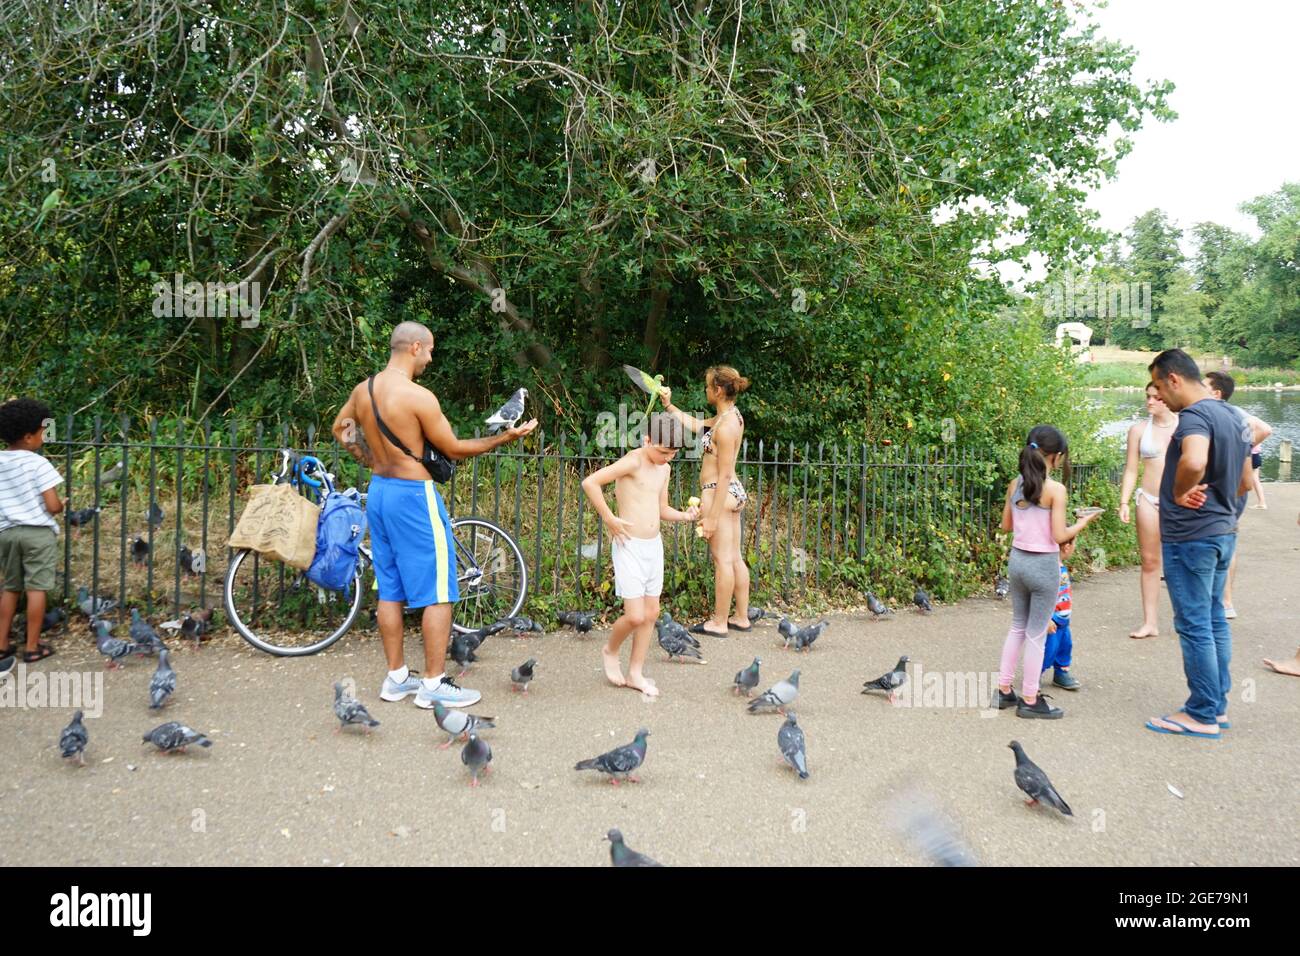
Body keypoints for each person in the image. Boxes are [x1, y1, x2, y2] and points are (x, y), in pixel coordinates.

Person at [330, 322, 536, 709]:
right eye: (429, 351)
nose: (430, 358)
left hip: (380, 493)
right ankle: (433, 683)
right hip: (413, 497)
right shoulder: (417, 396)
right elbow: (454, 449)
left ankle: (396, 679)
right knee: (440, 591)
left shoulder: (364, 390)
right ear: (415, 347)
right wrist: (503, 439)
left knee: (389, 590)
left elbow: (341, 428)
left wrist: (369, 459)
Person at [1144, 349, 1254, 740]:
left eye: (1158, 385)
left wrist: (1178, 492)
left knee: (1194, 626)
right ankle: (1217, 705)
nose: (1158, 393)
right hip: (1223, 532)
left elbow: (1193, 461)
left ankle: (1202, 713)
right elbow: (1244, 478)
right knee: (1213, 620)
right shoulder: (1233, 415)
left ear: (1173, 379)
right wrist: (1225, 509)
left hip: (1192, 537)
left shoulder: (1194, 417)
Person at [580, 413, 699, 696]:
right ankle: (610, 650)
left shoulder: (664, 469)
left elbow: (661, 509)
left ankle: (635, 672)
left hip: (653, 546)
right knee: (634, 616)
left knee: (652, 612)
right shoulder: (633, 461)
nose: (667, 458)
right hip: (629, 545)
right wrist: (609, 519)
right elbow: (590, 483)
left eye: (672, 454)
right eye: (662, 451)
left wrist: (686, 516)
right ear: (647, 440)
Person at [993, 425, 1099, 719]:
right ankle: (1029, 698)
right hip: (1043, 566)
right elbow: (1058, 535)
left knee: (1017, 627)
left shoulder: (1015, 486)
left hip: (1017, 562)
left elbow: (1006, 526)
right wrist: (1083, 523)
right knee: (1037, 634)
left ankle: (1003, 691)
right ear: (1056, 456)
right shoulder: (1056, 490)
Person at [660, 365, 751, 637]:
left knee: (722, 559)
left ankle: (719, 621)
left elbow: (723, 475)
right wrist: (670, 406)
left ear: (718, 390)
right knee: (734, 557)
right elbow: (698, 426)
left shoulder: (725, 427)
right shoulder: (729, 418)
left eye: (708, 386)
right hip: (735, 493)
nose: (706, 390)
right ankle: (741, 617)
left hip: (719, 492)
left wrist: (710, 518)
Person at [0, 398, 65, 665]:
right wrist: (62, 505)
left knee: (11, 587)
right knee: (36, 588)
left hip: (6, 533)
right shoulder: (38, 464)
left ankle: (2, 645)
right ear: (28, 437)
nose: (44, 436)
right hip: (36, 534)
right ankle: (32, 646)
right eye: (41, 431)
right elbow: (52, 506)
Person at [1205, 371, 1271, 620]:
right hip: (1225, 487)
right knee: (1223, 540)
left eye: (1204, 385)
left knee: (1226, 542)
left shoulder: (1232, 413)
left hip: (1229, 490)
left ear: (1216, 393)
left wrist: (1244, 449)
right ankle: (1221, 600)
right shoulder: (1216, 414)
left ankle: (1226, 600)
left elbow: (1265, 429)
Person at [1117, 382, 1178, 638]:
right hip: (1148, 499)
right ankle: (1150, 622)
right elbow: (1131, 468)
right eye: (1147, 397)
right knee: (1150, 561)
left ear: (1167, 398)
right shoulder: (1139, 430)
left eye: (1155, 398)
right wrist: (1124, 501)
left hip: (1179, 502)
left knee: (1181, 561)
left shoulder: (1186, 425)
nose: (1149, 402)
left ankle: (1189, 618)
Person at [1041, 537, 1079, 690]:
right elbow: (1042, 596)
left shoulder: (1060, 566)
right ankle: (1034, 676)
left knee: (1065, 646)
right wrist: (1047, 619)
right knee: (1048, 649)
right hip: (1052, 620)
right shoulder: (1049, 570)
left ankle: (1061, 673)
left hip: (1063, 619)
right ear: (1067, 547)